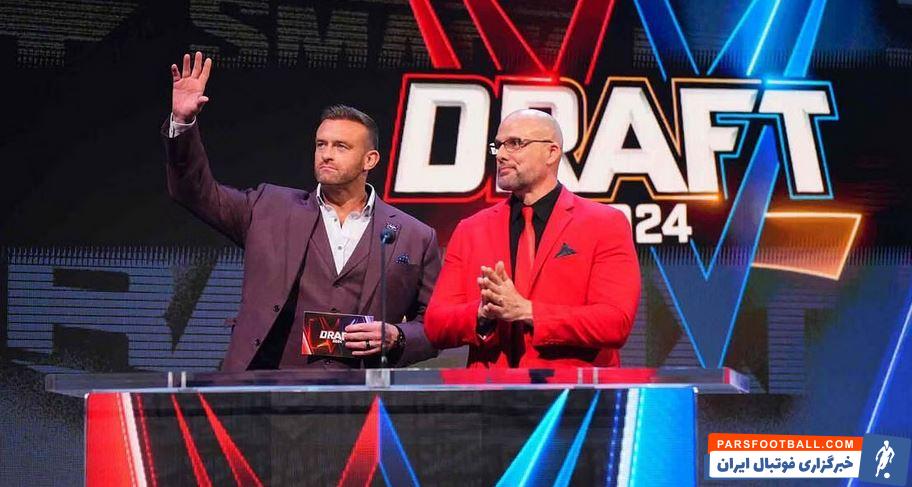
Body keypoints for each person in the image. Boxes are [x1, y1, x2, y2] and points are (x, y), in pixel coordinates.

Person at [162, 52, 440, 371]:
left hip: (359, 391)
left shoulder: (415, 236)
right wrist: (183, 123)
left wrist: (397, 336)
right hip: (268, 384)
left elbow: (436, 326)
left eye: (341, 146)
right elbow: (194, 191)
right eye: (321, 144)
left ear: (370, 160)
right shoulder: (268, 208)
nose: (326, 154)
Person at [424, 109, 640, 368]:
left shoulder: (604, 223)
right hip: (491, 389)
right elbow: (435, 324)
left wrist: (527, 311)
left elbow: (615, 323)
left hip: (575, 390)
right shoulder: (471, 230)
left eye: (515, 143)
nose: (501, 154)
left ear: (551, 152)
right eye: (498, 145)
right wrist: (481, 313)